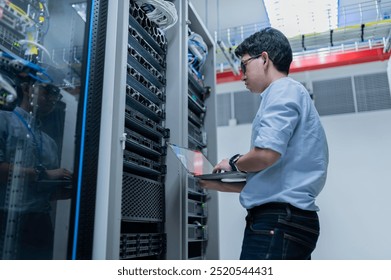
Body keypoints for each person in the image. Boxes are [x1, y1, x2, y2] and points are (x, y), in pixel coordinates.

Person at [199, 27, 329, 260]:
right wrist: (211, 183)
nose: (242, 75)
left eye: (244, 65)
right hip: (287, 220)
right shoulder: (290, 93)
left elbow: (266, 155)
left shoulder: (282, 90)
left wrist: (234, 162)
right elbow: (269, 182)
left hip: (278, 221)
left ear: (264, 59)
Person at [0, 74, 72, 259]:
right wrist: (44, 173)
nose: (52, 100)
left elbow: (45, 192)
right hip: (6, 217)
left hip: (40, 225)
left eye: (56, 96)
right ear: (27, 88)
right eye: (48, 92)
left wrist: (76, 189)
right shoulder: (4, 120)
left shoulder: (49, 143)